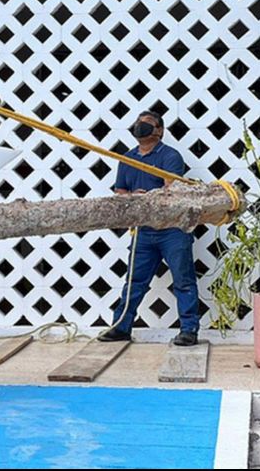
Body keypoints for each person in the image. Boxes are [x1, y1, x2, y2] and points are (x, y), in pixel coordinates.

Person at [99, 111, 200, 346]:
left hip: (173, 230)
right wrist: (134, 197)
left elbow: (172, 189)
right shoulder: (127, 158)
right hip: (143, 231)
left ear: (159, 130)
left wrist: (147, 197)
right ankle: (121, 327)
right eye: (138, 123)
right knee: (134, 282)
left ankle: (189, 330)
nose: (140, 127)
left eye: (146, 124)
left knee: (183, 280)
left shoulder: (170, 156)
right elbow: (120, 191)